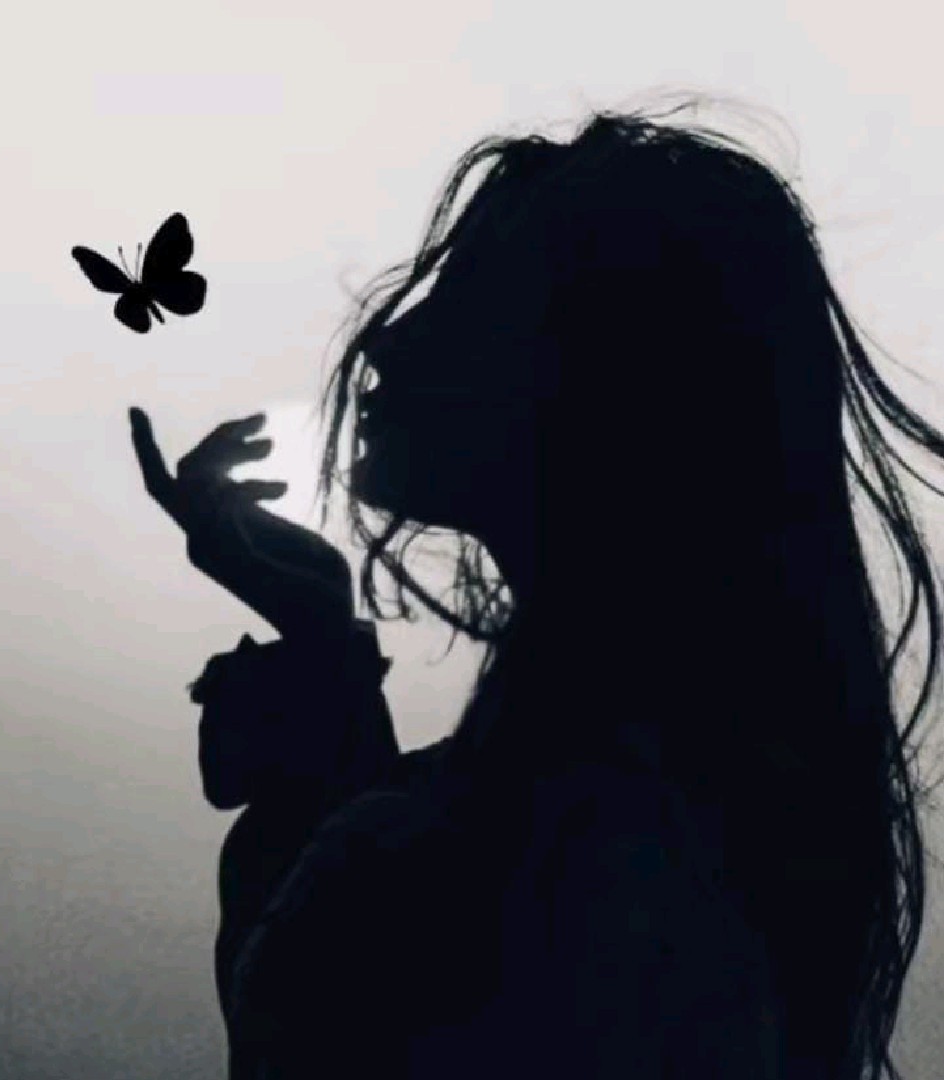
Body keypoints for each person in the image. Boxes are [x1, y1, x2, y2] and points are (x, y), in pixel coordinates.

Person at [128, 94, 944, 1079]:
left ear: (599, 378)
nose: (385, 340)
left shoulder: (580, 860)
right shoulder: (661, 811)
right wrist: (318, 629)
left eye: (464, 297)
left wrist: (319, 671)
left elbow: (346, 994)